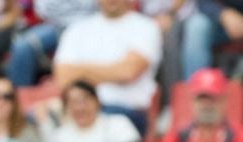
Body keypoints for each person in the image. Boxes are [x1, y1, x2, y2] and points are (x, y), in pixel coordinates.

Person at [51, 0, 161, 134]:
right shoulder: (77, 29)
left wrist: (80, 71)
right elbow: (63, 78)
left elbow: (128, 72)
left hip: (126, 111)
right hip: (81, 109)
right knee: (40, 118)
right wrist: (113, 71)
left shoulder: (146, 27)